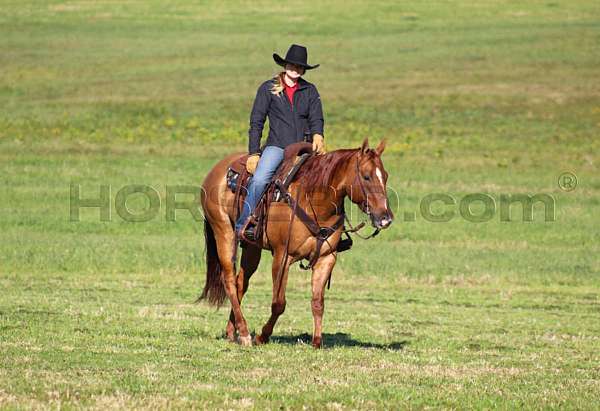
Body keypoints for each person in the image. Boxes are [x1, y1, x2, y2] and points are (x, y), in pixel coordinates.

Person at [235, 44, 326, 238]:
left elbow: (316, 117)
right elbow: (256, 122)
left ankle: (326, 228)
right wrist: (253, 153)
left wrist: (318, 134)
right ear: (285, 65)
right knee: (259, 179)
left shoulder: (310, 90)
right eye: (292, 65)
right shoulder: (268, 89)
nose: (296, 69)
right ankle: (243, 224)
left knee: (327, 181)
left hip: (304, 148)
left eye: (300, 67)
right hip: (277, 146)